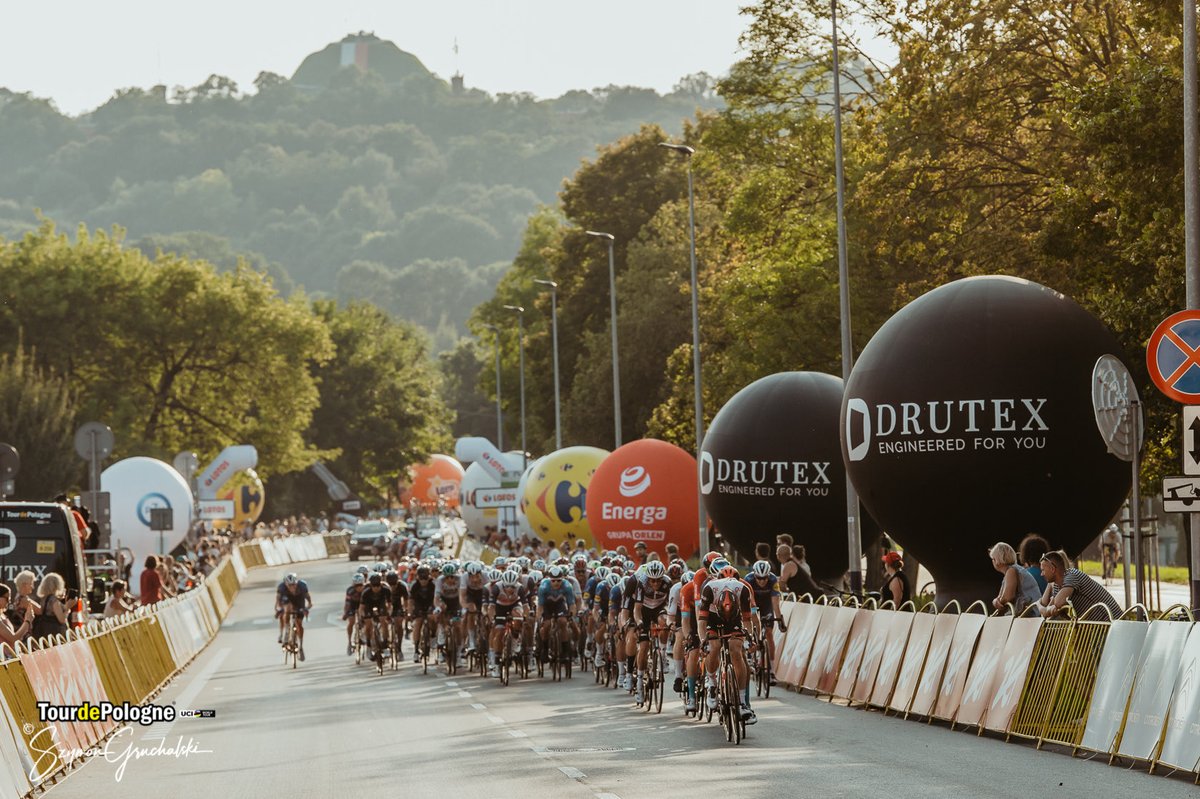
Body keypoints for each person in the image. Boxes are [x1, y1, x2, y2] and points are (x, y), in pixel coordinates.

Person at [697, 565, 756, 725]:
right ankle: (712, 682)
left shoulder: (743, 590)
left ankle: (742, 702)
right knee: (714, 646)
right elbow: (701, 622)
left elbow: (747, 621)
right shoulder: (709, 589)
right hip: (713, 617)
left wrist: (749, 639)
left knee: (736, 650)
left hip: (735, 618)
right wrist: (703, 641)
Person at [1037, 550, 1121, 618]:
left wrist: (1038, 605)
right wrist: (1049, 584)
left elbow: (1055, 605)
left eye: (1043, 570)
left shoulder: (1072, 575)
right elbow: (1047, 612)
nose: (1041, 574)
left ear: (1052, 569)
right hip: (1096, 627)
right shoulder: (1057, 585)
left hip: (1111, 622)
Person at [988, 543, 1040, 615]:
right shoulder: (1012, 570)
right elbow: (1001, 596)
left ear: (997, 560)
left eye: (993, 559)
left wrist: (996, 602)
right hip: (1029, 612)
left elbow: (1008, 597)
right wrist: (996, 600)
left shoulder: (1011, 571)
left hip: (1030, 613)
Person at [276, 573, 313, 661]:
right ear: (286, 584)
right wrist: (279, 609)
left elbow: (310, 603)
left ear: (297, 583)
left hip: (299, 601)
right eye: (290, 585)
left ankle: (300, 646)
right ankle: (286, 630)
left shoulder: (302, 587)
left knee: (299, 623)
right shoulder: (282, 588)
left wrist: (306, 608)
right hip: (288, 600)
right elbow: (278, 603)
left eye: (294, 585)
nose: (292, 587)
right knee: (286, 610)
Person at [31, 573, 68, 640]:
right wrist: (67, 608)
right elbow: (62, 619)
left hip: (45, 631)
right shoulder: (54, 600)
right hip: (56, 634)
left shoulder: (44, 598)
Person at [0, 585, 33, 649]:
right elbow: (13, 638)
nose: (9, 602)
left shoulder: (2, 615)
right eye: (7, 598)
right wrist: (27, 621)